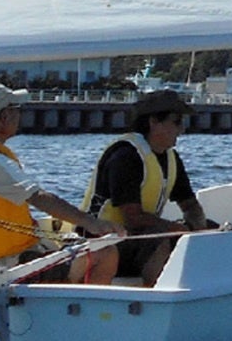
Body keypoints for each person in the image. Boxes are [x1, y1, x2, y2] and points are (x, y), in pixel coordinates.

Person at [0, 82, 122, 283]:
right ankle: (85, 312)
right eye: (16, 110)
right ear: (4, 117)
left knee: (76, 242)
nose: (20, 116)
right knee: (106, 252)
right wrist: (93, 223)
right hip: (9, 267)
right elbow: (39, 198)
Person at [81, 89, 211, 286]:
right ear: (153, 122)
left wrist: (199, 229)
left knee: (212, 228)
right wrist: (179, 230)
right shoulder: (126, 156)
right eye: (176, 122)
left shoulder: (171, 158)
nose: (181, 129)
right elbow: (133, 219)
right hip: (103, 244)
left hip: (137, 237)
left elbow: (190, 205)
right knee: (161, 240)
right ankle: (157, 296)